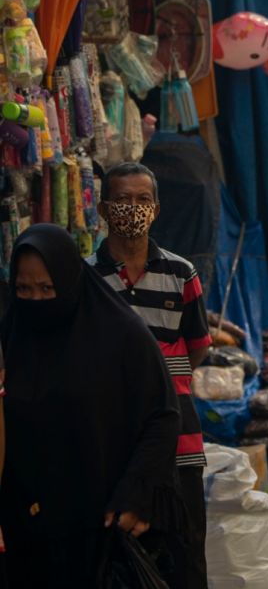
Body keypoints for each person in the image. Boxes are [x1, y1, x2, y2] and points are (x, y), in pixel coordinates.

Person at [1, 224, 181, 586]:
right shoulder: (11, 335)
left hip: (101, 521)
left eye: (47, 288)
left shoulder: (121, 333)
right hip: (28, 528)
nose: (35, 300)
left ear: (69, 280)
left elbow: (163, 416)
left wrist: (136, 492)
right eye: (24, 288)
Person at [90, 163, 209, 589]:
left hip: (179, 440)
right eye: (122, 200)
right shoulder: (87, 279)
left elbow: (197, 345)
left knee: (187, 556)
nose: (132, 209)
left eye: (142, 200)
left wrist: (162, 386)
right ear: (104, 208)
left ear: (156, 210)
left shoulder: (180, 274)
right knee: (123, 561)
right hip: (116, 443)